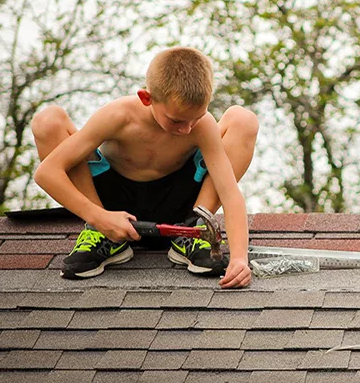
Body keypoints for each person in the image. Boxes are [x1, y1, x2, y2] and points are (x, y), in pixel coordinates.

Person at [31, 47, 258, 288]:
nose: (187, 129)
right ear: (146, 98)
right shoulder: (118, 115)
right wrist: (98, 217)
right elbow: (46, 173)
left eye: (196, 117)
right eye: (177, 120)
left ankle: (194, 229)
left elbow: (230, 193)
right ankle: (100, 233)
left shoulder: (202, 126)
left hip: (180, 204)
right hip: (111, 205)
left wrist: (239, 259)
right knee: (48, 120)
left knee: (243, 119)